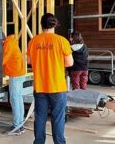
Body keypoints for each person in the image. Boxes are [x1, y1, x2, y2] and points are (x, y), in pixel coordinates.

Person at [27, 13, 73, 144]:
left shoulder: (33, 41)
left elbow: (29, 60)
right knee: (58, 118)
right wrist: (56, 62)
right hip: (57, 86)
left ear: (41, 25)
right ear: (55, 24)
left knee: (40, 117)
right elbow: (69, 63)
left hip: (40, 86)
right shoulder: (61, 41)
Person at [2, 33, 26, 135]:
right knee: (19, 99)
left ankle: (16, 126)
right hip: (19, 73)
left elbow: (3, 59)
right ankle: (20, 125)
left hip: (15, 75)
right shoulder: (11, 42)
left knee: (15, 100)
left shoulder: (8, 44)